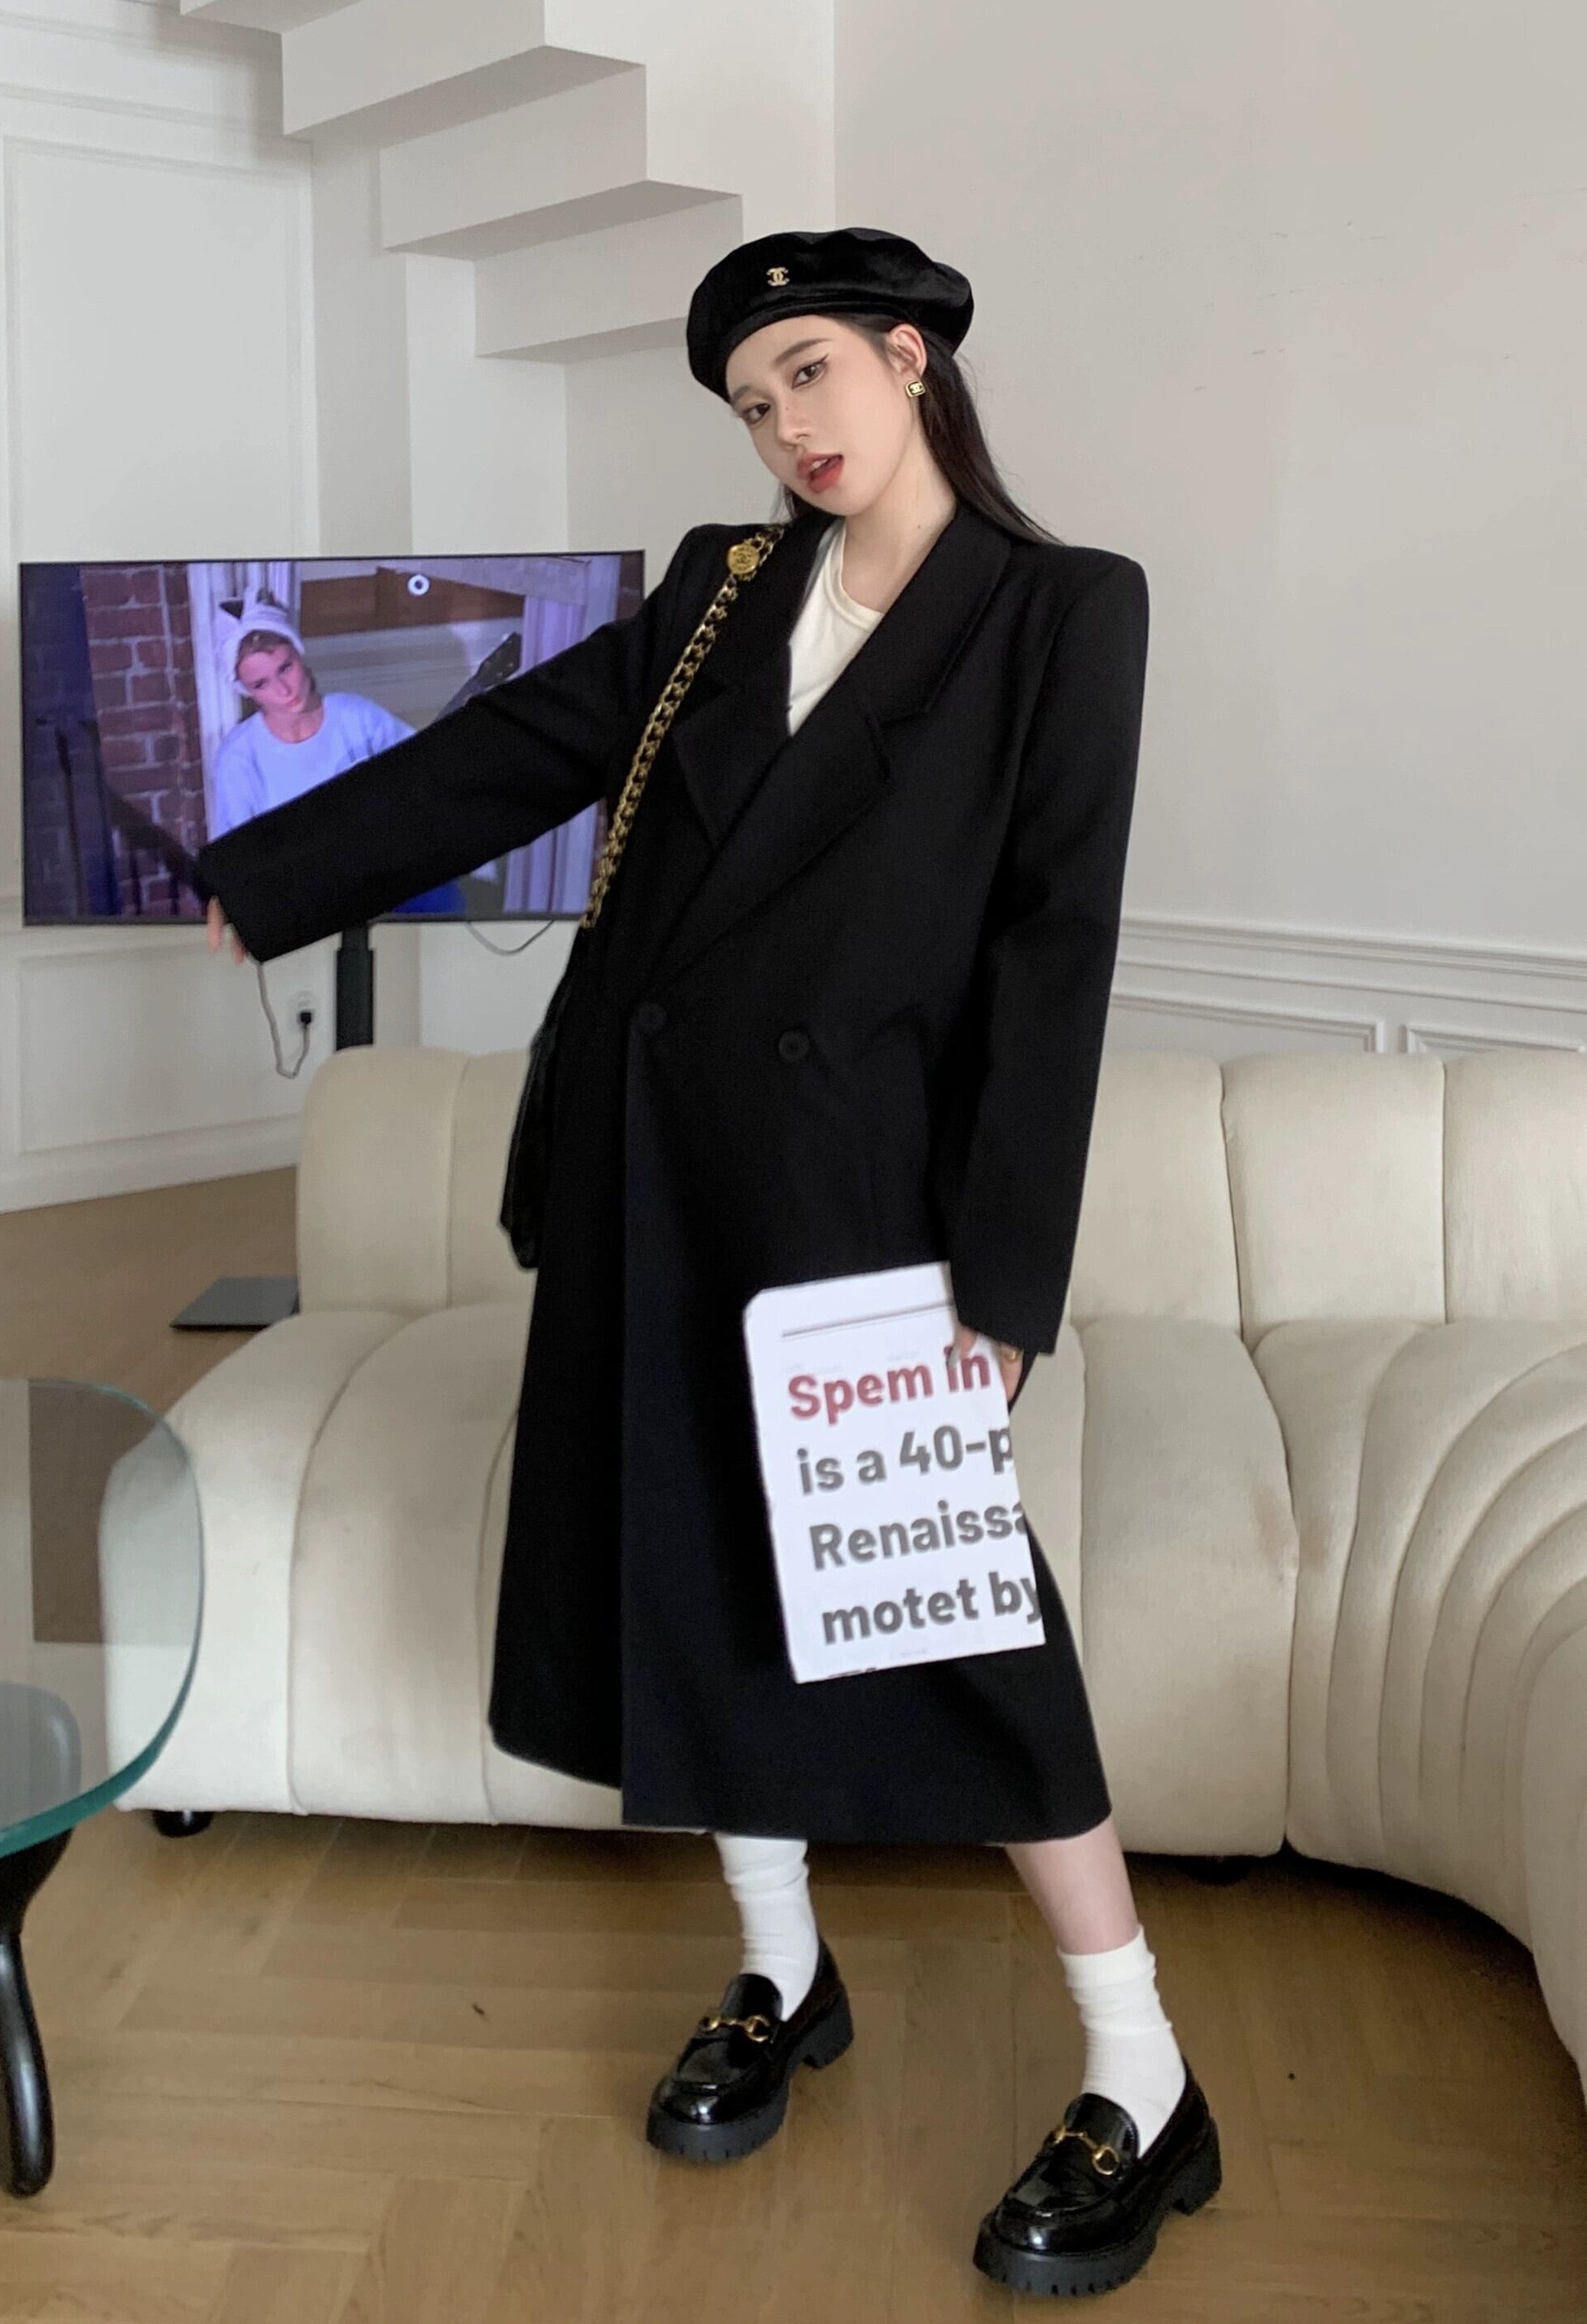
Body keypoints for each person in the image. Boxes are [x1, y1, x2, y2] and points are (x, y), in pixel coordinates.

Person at [195, 227, 1221, 2297]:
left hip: (862, 1208)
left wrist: (1000, 1283)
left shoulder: (1062, 610)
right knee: (687, 1574)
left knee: (959, 1619)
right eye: (755, 403)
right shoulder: (721, 588)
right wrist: (275, 875)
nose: (788, 427)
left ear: (910, 357)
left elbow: (1055, 954)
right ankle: (779, 1968)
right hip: (651, 1172)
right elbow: (517, 750)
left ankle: (1143, 2063)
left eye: (812, 372)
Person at [209, 601, 462, 913]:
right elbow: (241, 861)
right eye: (261, 684)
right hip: (310, 900)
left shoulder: (357, 715)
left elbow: (423, 776)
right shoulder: (239, 758)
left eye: (285, 668)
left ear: (299, 653)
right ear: (247, 691)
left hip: (391, 876)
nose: (284, 690)